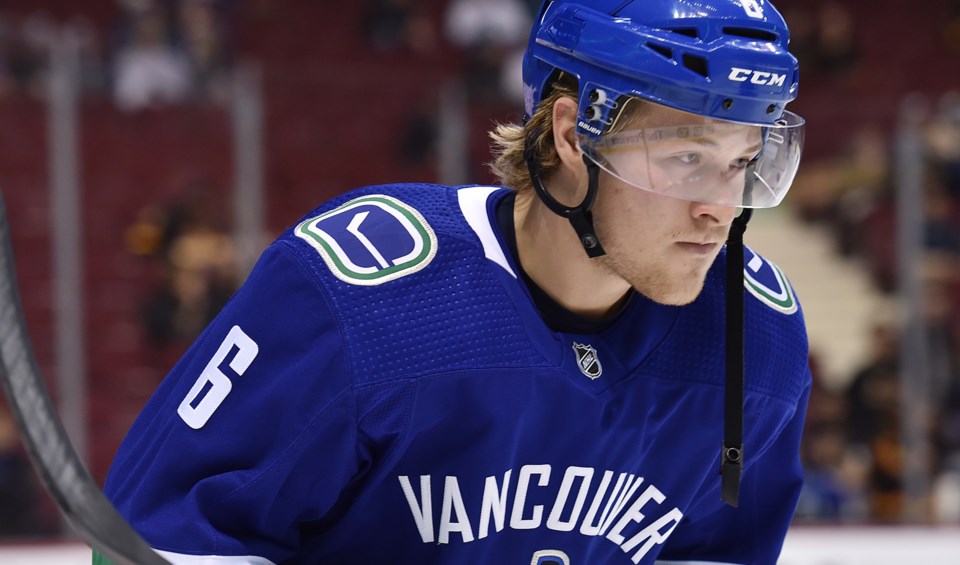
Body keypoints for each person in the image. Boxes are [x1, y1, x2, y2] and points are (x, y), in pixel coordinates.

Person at [102, 1, 812, 563]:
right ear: (572, 133)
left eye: (743, 161)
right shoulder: (367, 294)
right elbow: (162, 533)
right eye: (688, 157)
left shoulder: (753, 338)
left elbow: (718, 549)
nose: (720, 207)